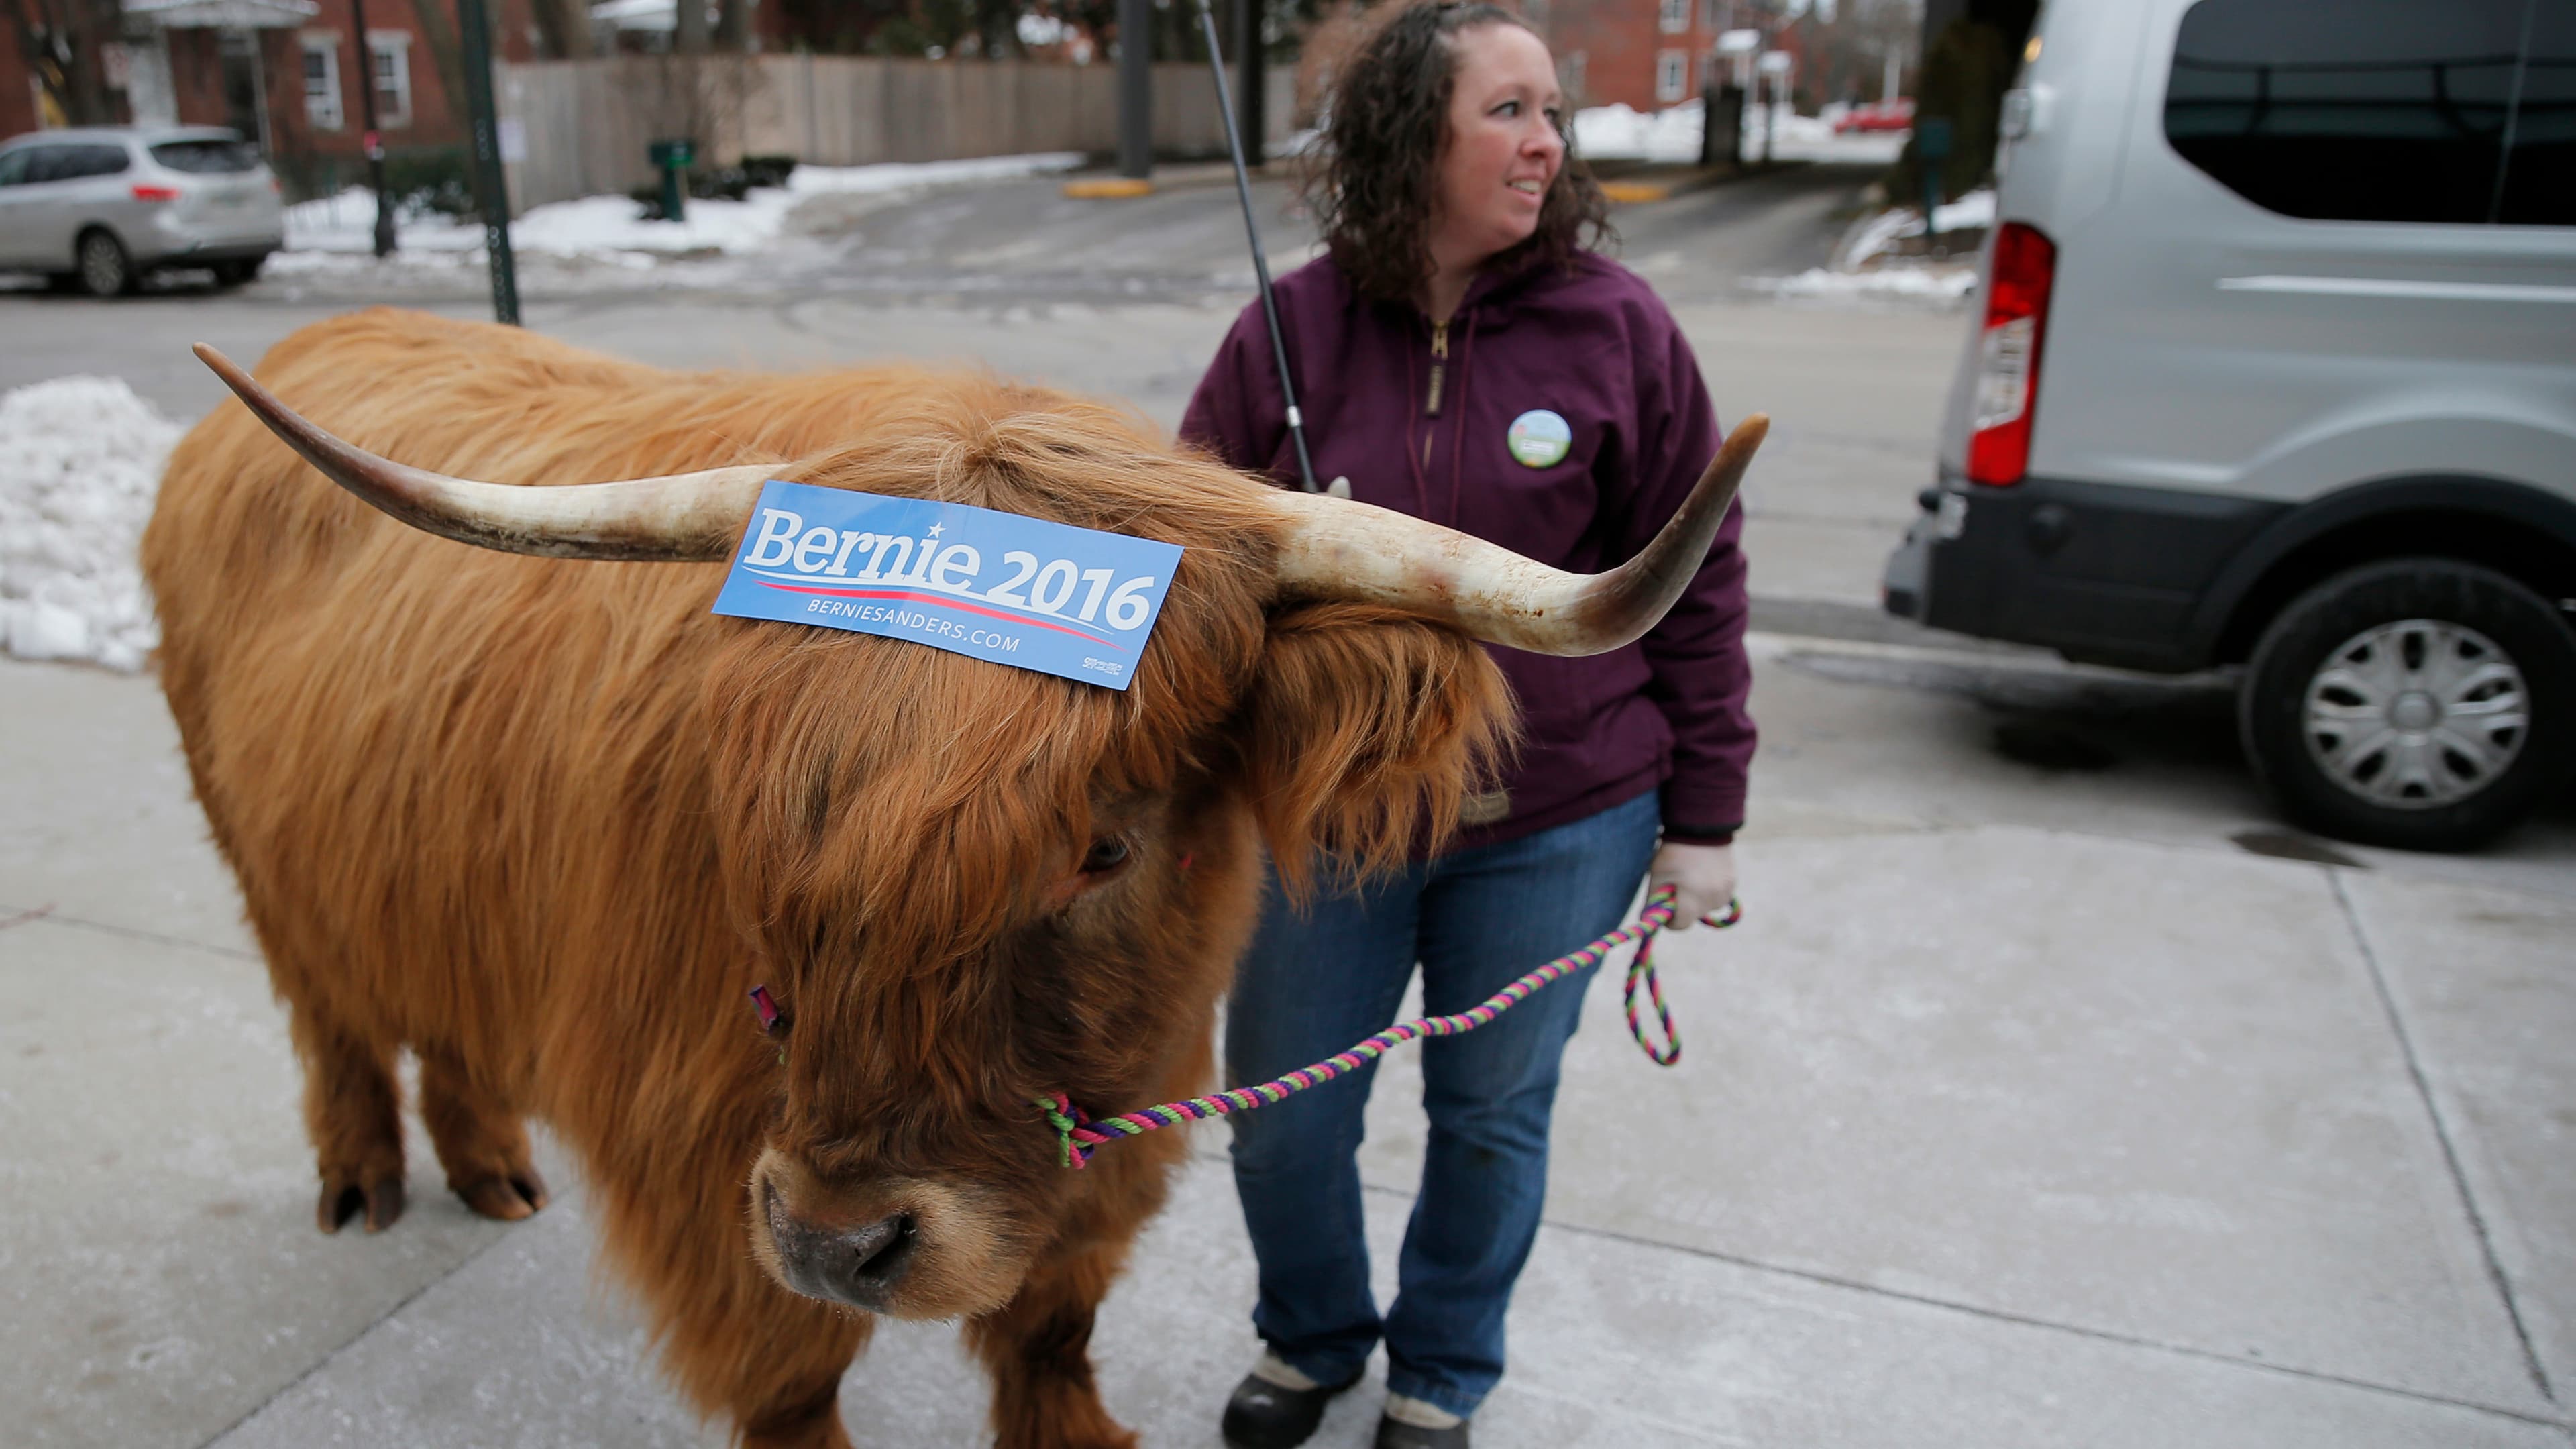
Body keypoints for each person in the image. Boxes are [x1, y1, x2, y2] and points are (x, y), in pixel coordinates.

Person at [1177, 4, 1757, 1446]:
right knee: (1285, 1110)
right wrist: (1293, 557)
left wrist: (1706, 822)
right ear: (1406, 138)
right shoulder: (1290, 330)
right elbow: (1181, 559)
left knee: (1491, 1112)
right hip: (1340, 811)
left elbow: (1700, 583)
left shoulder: (1618, 330)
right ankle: (1312, 1339)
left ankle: (1441, 1373)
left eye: (1553, 113)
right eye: (1508, 112)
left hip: (1564, 817)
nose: (1547, 142)